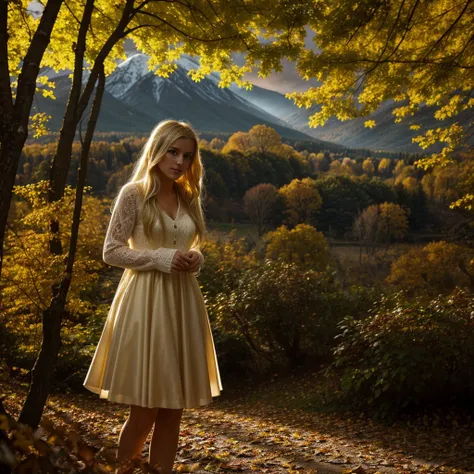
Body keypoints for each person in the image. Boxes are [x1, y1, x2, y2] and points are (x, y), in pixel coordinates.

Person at [83, 120, 223, 474]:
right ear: (157, 150)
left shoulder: (187, 197)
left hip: (183, 302)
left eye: (187, 156)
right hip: (145, 302)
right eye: (173, 152)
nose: (179, 161)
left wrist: (196, 257)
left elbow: (188, 245)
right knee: (145, 408)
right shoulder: (133, 193)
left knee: (173, 409)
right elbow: (111, 251)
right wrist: (159, 258)